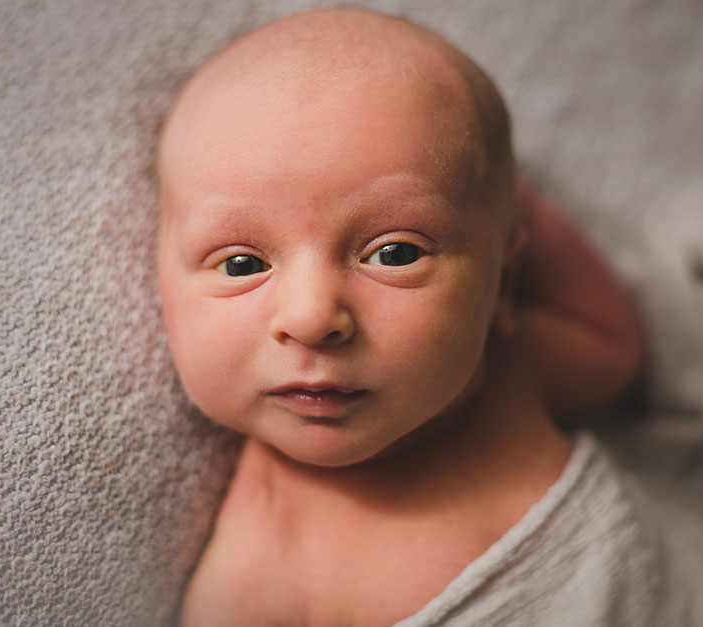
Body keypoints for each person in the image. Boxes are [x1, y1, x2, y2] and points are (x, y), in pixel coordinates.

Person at [156, 8, 643, 625]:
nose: (310, 318)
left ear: (503, 284)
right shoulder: (262, 561)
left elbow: (616, 353)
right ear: (160, 286)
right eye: (240, 265)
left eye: (395, 253)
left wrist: (510, 201)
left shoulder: (505, 370)